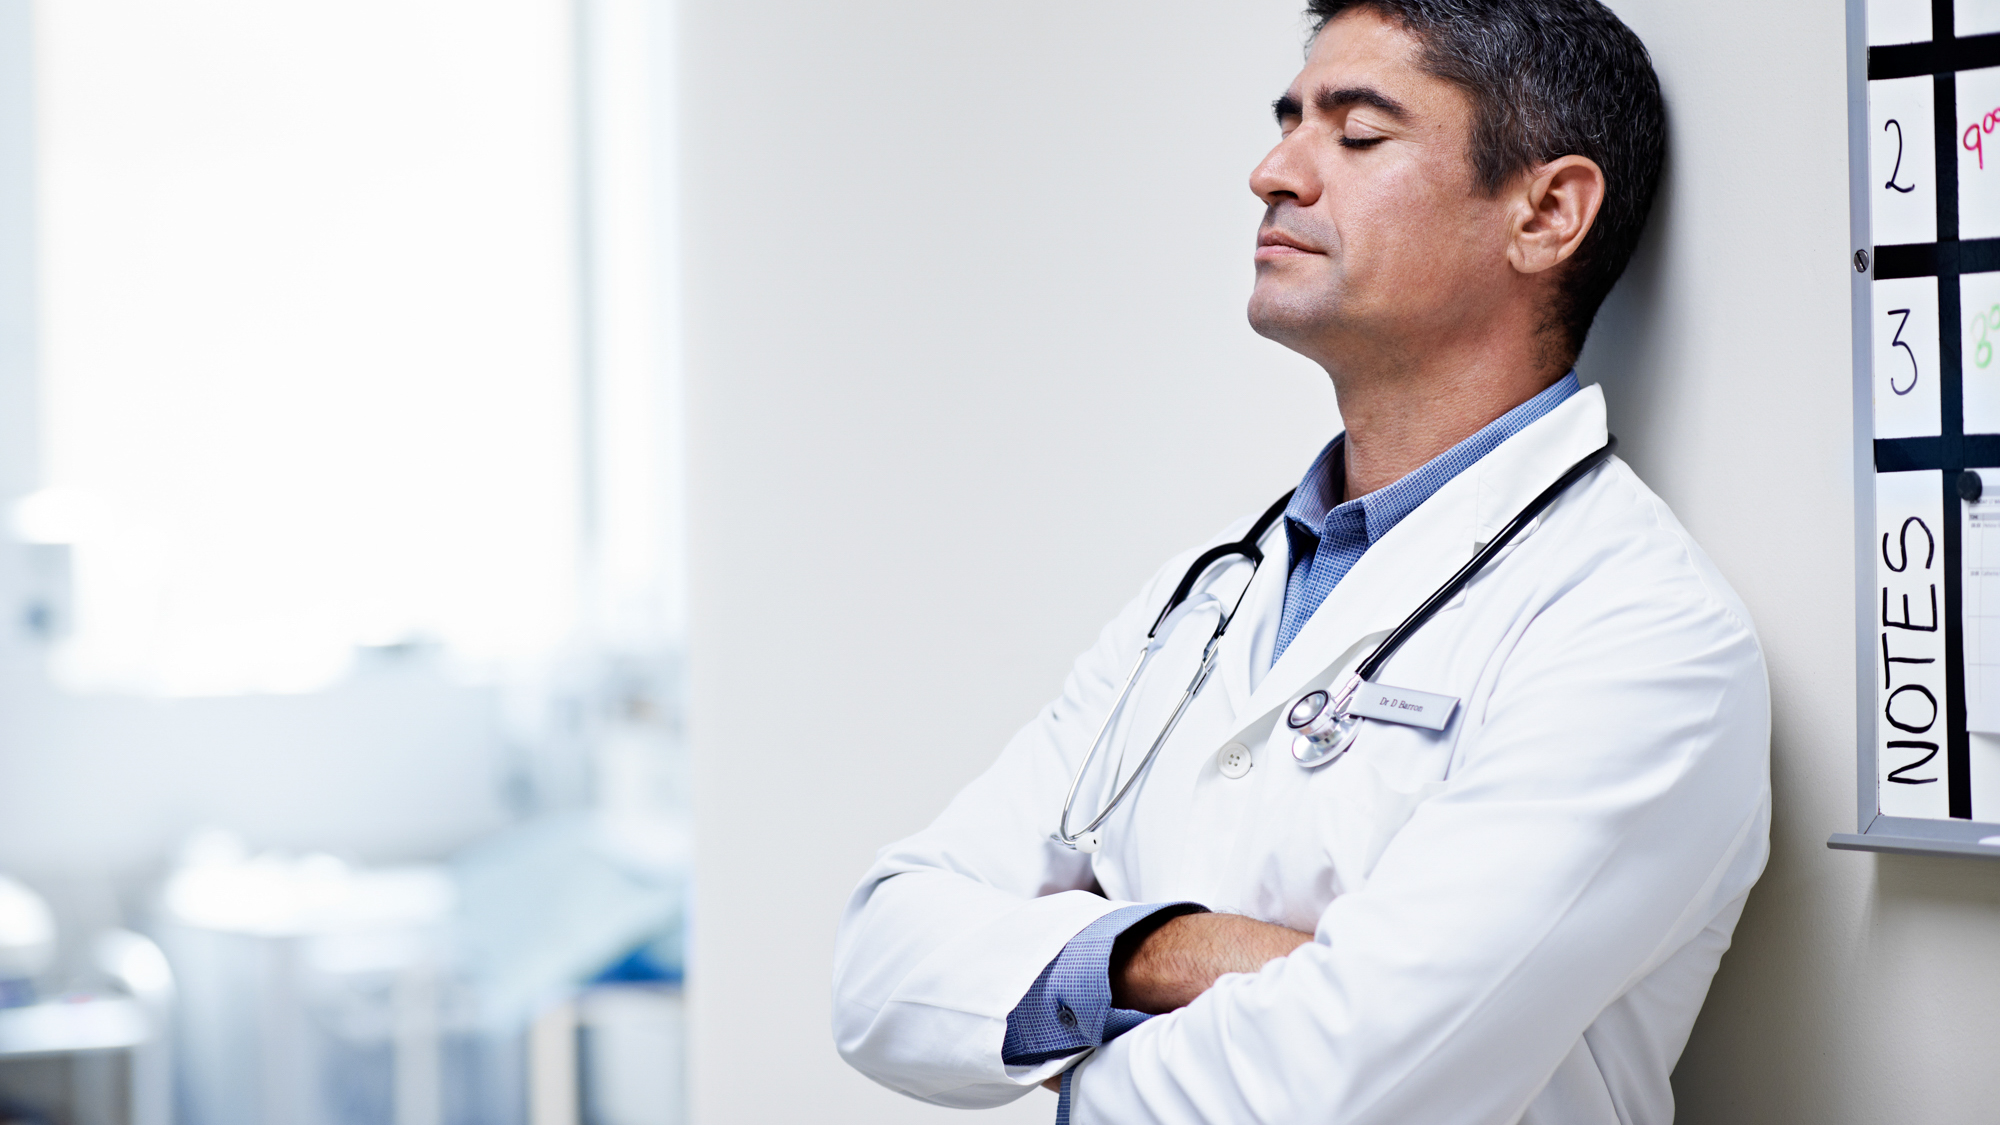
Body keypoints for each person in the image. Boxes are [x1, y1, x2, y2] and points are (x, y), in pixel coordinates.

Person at [831, 1, 1769, 1122]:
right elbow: (882, 966)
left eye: (1355, 134)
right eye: (1287, 124)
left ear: (1545, 212)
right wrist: (1165, 953)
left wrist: (1055, 1005)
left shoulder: (1637, 636)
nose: (1272, 171)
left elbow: (1331, 1091)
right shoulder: (1201, 603)